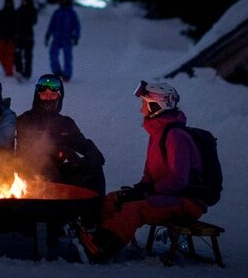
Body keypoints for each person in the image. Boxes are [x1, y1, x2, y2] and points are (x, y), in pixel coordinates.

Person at [77, 81, 206, 263]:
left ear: (156, 105)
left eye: (143, 104)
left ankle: (101, 247)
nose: (141, 110)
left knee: (134, 209)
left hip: (186, 201)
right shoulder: (157, 134)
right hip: (165, 195)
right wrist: (139, 189)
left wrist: (147, 193)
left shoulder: (176, 136)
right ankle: (94, 238)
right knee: (114, 199)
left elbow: (178, 180)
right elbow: (150, 174)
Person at [15, 74, 105, 195]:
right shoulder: (25, 120)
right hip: (34, 177)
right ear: (37, 96)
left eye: (53, 95)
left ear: (59, 97)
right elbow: (24, 151)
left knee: (93, 168)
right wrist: (59, 151)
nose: (48, 99)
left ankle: (95, 209)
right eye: (44, 95)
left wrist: (92, 153)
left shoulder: (65, 122)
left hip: (61, 174)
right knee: (43, 162)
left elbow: (81, 142)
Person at [44, 0, 80, 81]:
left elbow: (77, 25)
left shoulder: (71, 13)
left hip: (67, 38)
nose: (62, 1)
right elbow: (52, 24)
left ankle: (67, 75)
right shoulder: (57, 12)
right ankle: (57, 71)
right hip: (57, 38)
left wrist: (76, 36)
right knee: (53, 55)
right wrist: (48, 35)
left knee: (67, 57)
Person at [13, 0, 37, 82]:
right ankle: (19, 72)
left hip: (28, 36)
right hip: (19, 36)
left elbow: (33, 21)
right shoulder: (19, 9)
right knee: (17, 54)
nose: (22, 0)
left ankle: (27, 74)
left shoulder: (31, 9)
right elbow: (14, 22)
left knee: (27, 56)